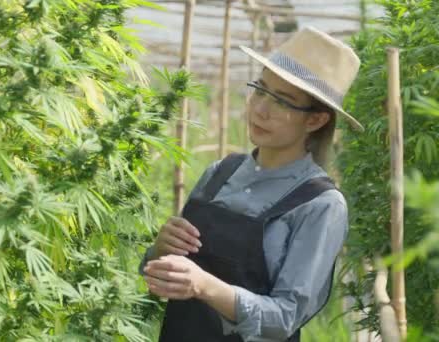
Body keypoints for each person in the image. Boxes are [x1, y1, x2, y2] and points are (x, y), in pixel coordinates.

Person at [139, 27, 364, 342]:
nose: (260, 109)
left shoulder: (320, 204)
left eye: (282, 102)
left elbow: (285, 317)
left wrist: (204, 286)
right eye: (260, 90)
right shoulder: (220, 172)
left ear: (315, 120)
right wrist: (158, 252)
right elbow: (161, 275)